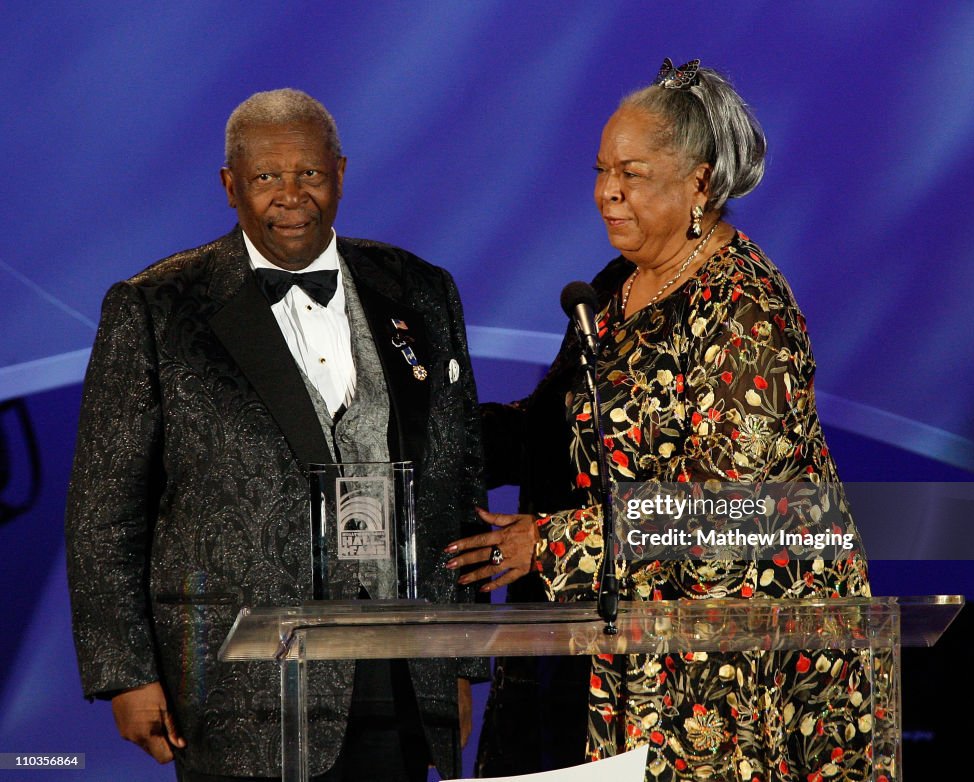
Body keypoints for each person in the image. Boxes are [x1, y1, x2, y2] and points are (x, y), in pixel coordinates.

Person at [447, 59, 875, 780]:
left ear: (700, 184)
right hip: (616, 646)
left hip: (728, 670)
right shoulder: (619, 285)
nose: (606, 193)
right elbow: (567, 429)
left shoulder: (746, 309)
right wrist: (441, 435)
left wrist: (551, 544)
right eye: (601, 169)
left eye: (632, 173)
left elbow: (741, 510)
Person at [65, 89, 487, 782]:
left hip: (402, 669)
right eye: (266, 177)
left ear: (342, 174)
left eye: (311, 174)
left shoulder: (419, 289)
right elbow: (104, 511)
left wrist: (462, 662)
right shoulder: (156, 308)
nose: (292, 195)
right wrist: (124, 673)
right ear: (230, 185)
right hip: (240, 689)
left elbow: (455, 480)